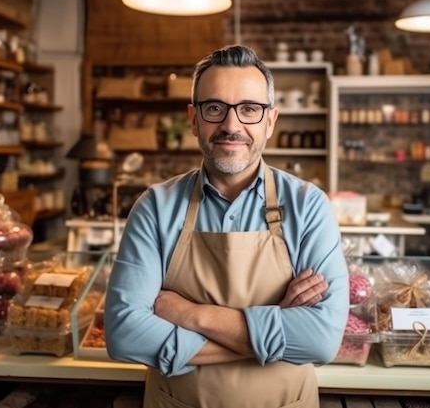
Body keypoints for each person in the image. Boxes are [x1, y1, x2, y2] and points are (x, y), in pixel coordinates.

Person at [105, 44, 349, 408]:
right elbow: (125, 336)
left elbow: (320, 341)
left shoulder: (308, 205)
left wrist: (191, 314)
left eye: (249, 109)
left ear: (270, 121)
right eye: (214, 108)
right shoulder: (155, 207)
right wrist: (277, 322)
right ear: (193, 118)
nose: (231, 125)